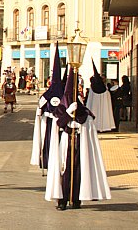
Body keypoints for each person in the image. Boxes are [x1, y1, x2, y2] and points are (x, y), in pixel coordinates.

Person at [45, 66, 111, 210]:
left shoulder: (83, 111)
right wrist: (68, 114)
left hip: (80, 145)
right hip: (65, 144)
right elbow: (59, 123)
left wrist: (82, 122)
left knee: (78, 171)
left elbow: (88, 122)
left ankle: (76, 199)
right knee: (64, 171)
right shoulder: (61, 108)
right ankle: (62, 201)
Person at [31, 45, 64, 171]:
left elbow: (39, 109)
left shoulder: (46, 95)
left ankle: (48, 161)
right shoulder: (64, 95)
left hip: (52, 124)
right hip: (54, 124)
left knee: (50, 142)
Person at [86, 61, 116, 132]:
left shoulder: (92, 88)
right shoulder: (104, 88)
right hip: (103, 105)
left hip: (94, 106)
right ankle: (104, 126)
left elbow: (89, 100)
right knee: (103, 113)